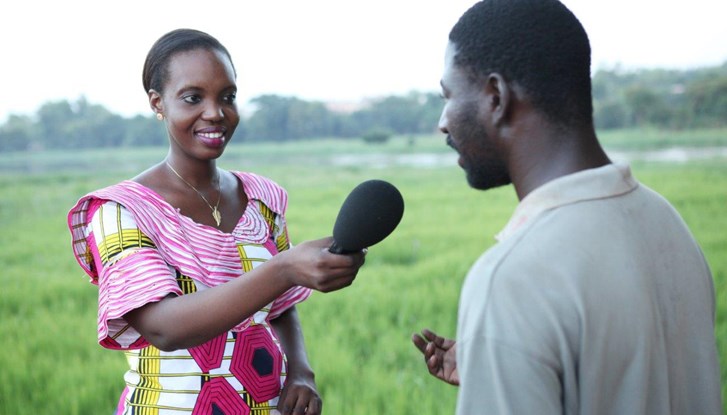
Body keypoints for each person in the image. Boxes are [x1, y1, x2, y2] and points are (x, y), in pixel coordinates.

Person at [412, 0, 722, 414]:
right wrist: (511, 365)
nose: (443, 122)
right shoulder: (667, 222)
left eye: (448, 96)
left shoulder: (512, 279)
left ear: (495, 97)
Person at [67, 28, 366, 415]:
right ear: (158, 103)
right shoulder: (122, 209)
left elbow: (280, 306)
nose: (215, 112)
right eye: (193, 98)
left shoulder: (262, 200)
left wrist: (302, 373)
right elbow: (164, 327)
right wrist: (283, 269)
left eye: (227, 97)